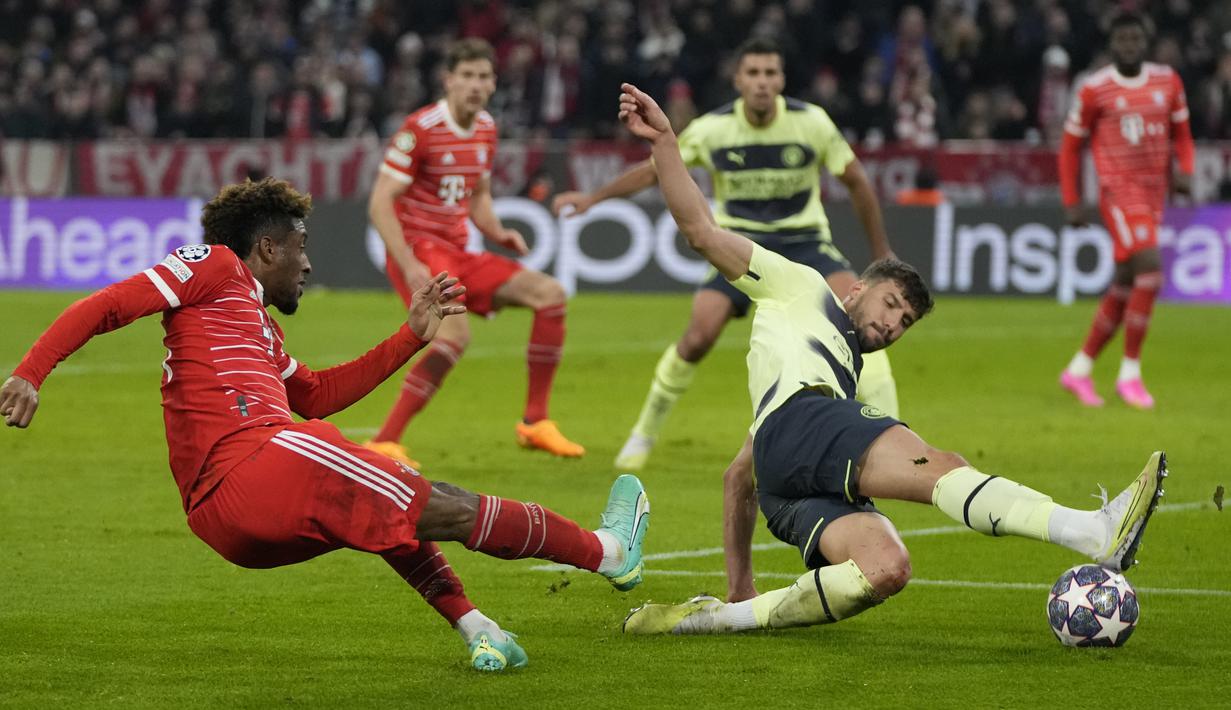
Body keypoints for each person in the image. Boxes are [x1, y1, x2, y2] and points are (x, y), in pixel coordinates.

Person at [0, 178, 649, 671]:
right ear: (265, 248)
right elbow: (110, 303)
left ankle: (478, 628)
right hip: (250, 466)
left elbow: (315, 393)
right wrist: (31, 372)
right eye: (300, 249)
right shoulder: (215, 267)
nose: (308, 265)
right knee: (422, 496)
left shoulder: (262, 330)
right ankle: (607, 551)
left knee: (380, 504)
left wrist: (409, 337)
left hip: (233, 508)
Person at [610, 82, 1165, 637]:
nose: (892, 324)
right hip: (798, 432)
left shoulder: (835, 373)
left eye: (904, 323)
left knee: (886, 568)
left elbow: (740, 476)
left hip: (785, 482)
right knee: (940, 465)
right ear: (856, 288)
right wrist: (664, 143)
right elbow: (702, 231)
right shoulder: (800, 287)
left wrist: (739, 583)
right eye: (891, 304)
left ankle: (719, 618)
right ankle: (1091, 531)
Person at [552, 37, 897, 472]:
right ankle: (643, 434)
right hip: (742, 246)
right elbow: (654, 169)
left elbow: (858, 183)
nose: (762, 82)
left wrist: (881, 251)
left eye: (770, 73)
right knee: (698, 336)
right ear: (738, 80)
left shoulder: (812, 123)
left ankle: (889, 433)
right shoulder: (714, 129)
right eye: (753, 73)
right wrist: (592, 198)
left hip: (806, 242)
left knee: (861, 321)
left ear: (782, 80)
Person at [366, 38, 583, 466]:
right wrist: (410, 265)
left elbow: (477, 196)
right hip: (420, 248)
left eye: (483, 77)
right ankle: (384, 441)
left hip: (458, 248)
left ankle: (535, 422)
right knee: (455, 336)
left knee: (550, 294)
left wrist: (498, 232)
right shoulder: (420, 129)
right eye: (466, 76)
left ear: (493, 83)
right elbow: (379, 202)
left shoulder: (485, 127)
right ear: (448, 80)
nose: (475, 85)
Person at [1058, 12, 1195, 410]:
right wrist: (1072, 200)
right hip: (1118, 192)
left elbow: (1183, 136)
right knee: (1150, 269)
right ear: (1111, 44)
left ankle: (1079, 369)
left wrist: (1184, 171)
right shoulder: (1094, 89)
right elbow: (1070, 147)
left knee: (1125, 282)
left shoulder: (1168, 81)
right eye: (1123, 39)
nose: (1130, 45)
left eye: (1136, 38)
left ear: (1146, 41)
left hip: (1154, 194)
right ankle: (1130, 374)